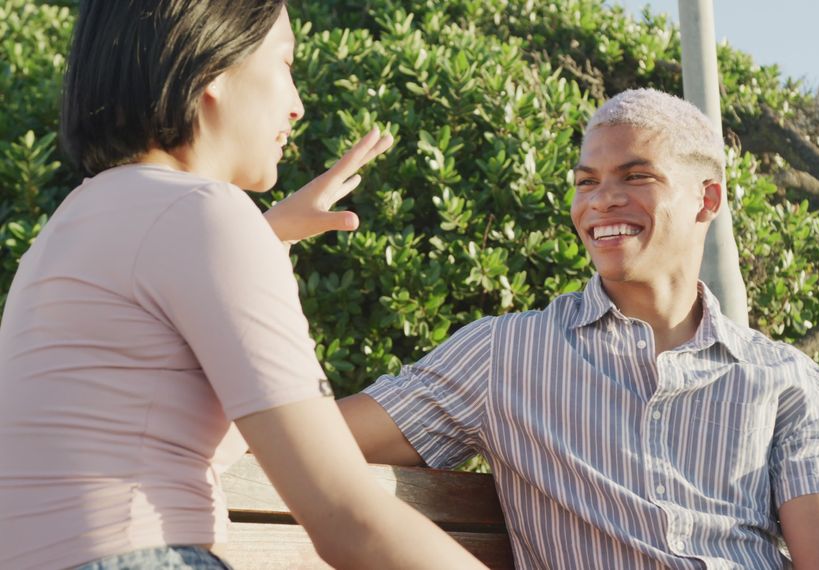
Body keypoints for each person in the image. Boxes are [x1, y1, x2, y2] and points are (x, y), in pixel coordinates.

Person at [0, 2, 484, 569]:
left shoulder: (76, 219)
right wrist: (248, 234)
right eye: (285, 64)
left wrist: (267, 234)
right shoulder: (205, 214)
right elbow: (347, 517)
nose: (298, 105)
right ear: (212, 70)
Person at [339, 88, 819, 569]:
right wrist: (264, 250)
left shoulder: (789, 380)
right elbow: (312, 441)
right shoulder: (503, 355)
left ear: (707, 199)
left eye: (636, 176)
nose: (601, 199)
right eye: (586, 182)